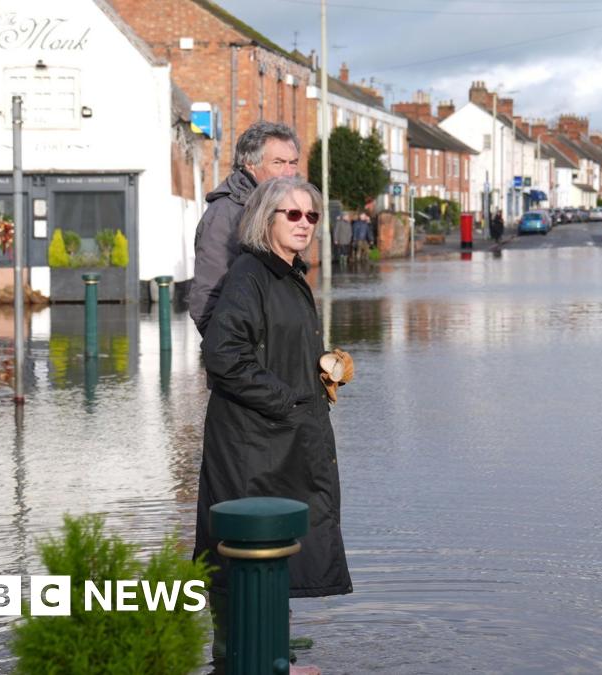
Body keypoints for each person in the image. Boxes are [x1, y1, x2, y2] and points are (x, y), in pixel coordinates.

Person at [195, 176, 352, 659]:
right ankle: (244, 659)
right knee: (242, 551)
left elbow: (272, 347)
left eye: (312, 216)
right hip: (252, 443)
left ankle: (269, 652)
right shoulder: (251, 274)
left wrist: (322, 367)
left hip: (279, 436)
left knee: (278, 547)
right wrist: (290, 401)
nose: (305, 224)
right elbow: (224, 356)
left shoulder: (287, 274)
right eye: (294, 214)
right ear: (267, 219)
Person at [189, 122, 301, 337]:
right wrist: (233, 358)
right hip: (248, 355)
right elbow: (207, 296)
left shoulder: (279, 207)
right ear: (250, 164)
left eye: (293, 163)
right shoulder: (226, 214)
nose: (289, 173)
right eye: (278, 163)